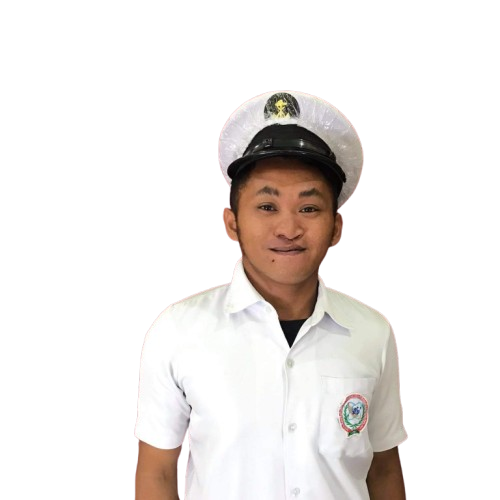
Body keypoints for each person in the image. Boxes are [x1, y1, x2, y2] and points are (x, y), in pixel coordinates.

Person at [134, 91, 407, 500]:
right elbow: (156, 472)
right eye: (266, 206)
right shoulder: (177, 330)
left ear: (336, 228)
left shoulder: (373, 331)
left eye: (309, 208)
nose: (288, 229)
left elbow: (383, 469)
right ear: (231, 223)